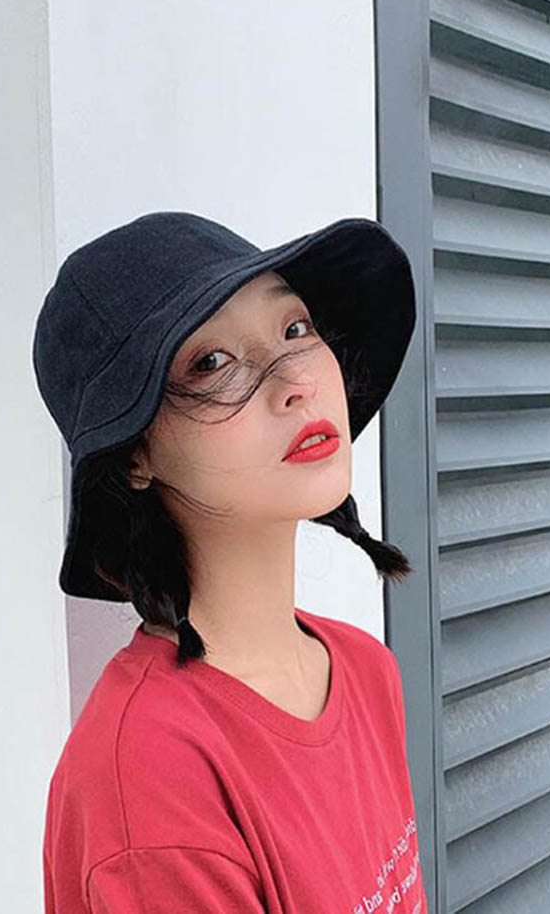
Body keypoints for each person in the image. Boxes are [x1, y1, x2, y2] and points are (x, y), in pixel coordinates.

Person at [32, 211, 428, 912]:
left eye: (295, 328)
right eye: (211, 363)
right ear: (135, 454)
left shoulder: (365, 669)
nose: (295, 381)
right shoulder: (153, 777)